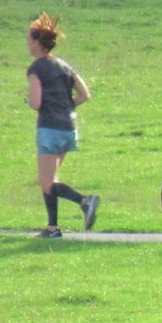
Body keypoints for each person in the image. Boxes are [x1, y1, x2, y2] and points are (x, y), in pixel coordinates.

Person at [25, 12, 100, 238]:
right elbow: (85, 94)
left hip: (49, 128)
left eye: (29, 39)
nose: (27, 43)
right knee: (51, 180)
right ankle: (52, 228)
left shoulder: (36, 69)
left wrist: (30, 101)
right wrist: (67, 105)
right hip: (68, 127)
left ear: (38, 43)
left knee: (46, 182)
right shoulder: (64, 66)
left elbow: (36, 103)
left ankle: (85, 201)